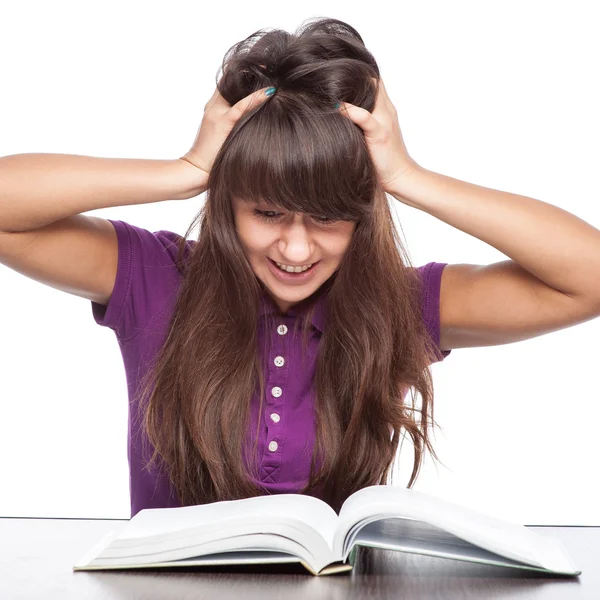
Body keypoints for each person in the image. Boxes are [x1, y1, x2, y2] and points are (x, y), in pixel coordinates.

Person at [1, 18, 599, 519]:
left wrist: (408, 178)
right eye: (267, 213)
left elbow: (589, 277)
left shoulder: (398, 306)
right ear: (228, 201)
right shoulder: (156, 277)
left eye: (328, 219)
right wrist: (185, 169)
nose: (295, 249)